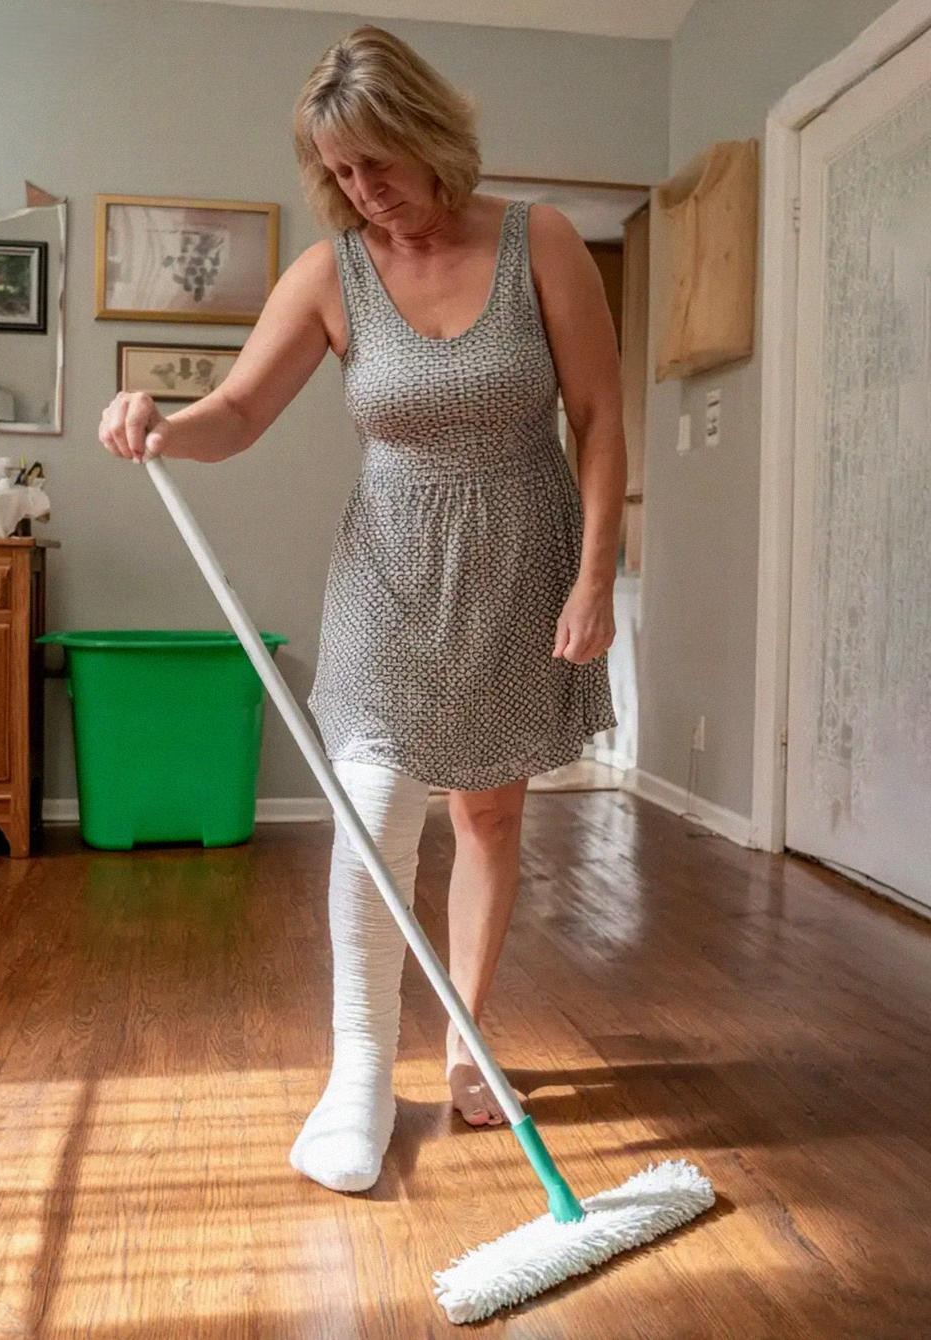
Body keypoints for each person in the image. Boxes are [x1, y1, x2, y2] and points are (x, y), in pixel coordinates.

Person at [99, 24, 625, 1194]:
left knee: (489, 816)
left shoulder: (538, 241)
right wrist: (164, 424)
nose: (361, 188)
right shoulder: (330, 273)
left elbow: (597, 417)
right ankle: (360, 1073)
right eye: (338, 170)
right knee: (376, 809)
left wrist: (595, 574)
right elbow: (238, 410)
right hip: (388, 573)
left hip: (519, 565)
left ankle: (467, 1040)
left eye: (375, 161)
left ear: (428, 136)